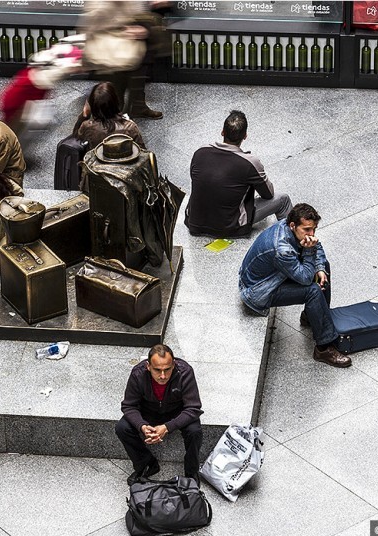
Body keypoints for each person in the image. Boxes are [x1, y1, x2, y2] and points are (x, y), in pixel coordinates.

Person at [239, 203, 351, 368]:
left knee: (323, 266)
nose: (311, 234)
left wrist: (320, 268)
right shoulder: (282, 249)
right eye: (307, 230)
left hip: (273, 274)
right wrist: (309, 251)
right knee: (312, 291)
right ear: (293, 225)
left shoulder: (289, 226)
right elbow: (305, 278)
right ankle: (323, 348)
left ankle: (312, 316)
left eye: (314, 229)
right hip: (258, 290)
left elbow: (316, 245)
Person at [185, 110, 292, 238]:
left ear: (222, 132)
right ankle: (291, 240)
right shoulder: (250, 162)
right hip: (230, 227)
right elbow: (268, 194)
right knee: (283, 200)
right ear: (245, 136)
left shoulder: (200, 152)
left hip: (194, 223)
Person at [116, 344, 203, 485]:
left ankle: (191, 471)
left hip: (177, 411)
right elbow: (129, 405)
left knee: (194, 431)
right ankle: (146, 464)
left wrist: (167, 427)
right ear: (148, 366)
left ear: (173, 365)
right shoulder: (138, 374)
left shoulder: (185, 372)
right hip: (148, 410)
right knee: (122, 428)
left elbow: (193, 408)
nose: (163, 376)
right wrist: (142, 426)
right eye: (157, 370)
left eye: (167, 369)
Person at [82, 0, 166, 120]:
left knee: (137, 78)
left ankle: (138, 107)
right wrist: (123, 28)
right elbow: (94, 20)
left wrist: (143, 26)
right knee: (116, 87)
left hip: (132, 48)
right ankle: (112, 121)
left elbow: (139, 11)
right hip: (113, 50)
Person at [72, 81, 146, 150]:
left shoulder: (87, 126)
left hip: (97, 159)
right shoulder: (130, 127)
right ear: (115, 102)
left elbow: (75, 138)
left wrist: (84, 115)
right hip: (125, 159)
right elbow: (142, 150)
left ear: (92, 106)